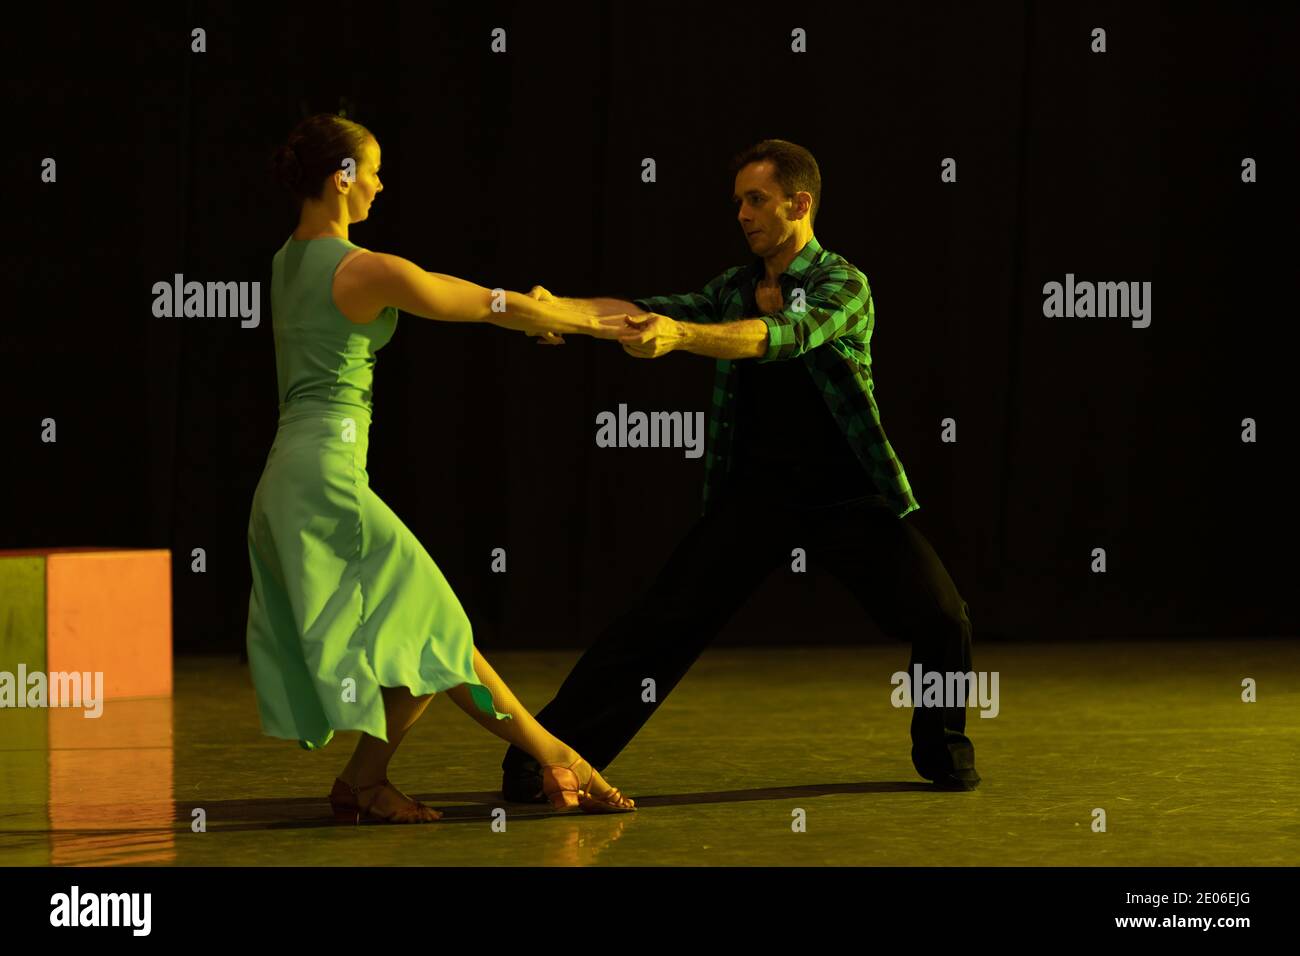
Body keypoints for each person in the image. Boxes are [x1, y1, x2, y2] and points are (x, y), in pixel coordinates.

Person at [501, 139, 981, 801]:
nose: (743, 214)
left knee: (943, 617)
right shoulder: (734, 285)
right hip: (757, 494)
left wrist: (681, 337)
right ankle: (542, 757)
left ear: (799, 202)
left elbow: (776, 337)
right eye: (738, 202)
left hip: (845, 494)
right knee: (658, 624)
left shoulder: (842, 283)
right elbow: (645, 311)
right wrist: (562, 313)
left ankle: (943, 753)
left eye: (756, 199)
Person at [247, 112, 634, 823]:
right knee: (439, 628)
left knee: (424, 636)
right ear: (342, 178)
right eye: (374, 170)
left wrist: (535, 314)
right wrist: (582, 321)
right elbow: (478, 303)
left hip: (291, 478)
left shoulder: (285, 263)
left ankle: (368, 780)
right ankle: (558, 756)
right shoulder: (364, 269)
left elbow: (487, 306)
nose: (381, 184)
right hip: (324, 482)